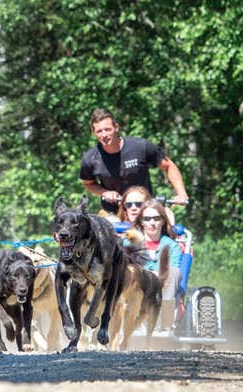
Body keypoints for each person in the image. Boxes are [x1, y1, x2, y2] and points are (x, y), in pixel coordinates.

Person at [80, 108, 189, 220]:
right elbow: (88, 183)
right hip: (113, 213)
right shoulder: (90, 158)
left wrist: (181, 193)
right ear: (94, 133)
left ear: (116, 127)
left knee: (170, 223)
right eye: (99, 131)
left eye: (107, 129)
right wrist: (104, 192)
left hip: (145, 210)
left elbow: (169, 166)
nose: (104, 135)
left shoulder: (140, 147)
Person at [127, 199, 182, 331]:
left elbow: (173, 268)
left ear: (162, 221)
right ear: (141, 221)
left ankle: (165, 321)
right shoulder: (130, 243)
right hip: (136, 287)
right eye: (147, 219)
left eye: (156, 218)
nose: (152, 223)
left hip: (164, 287)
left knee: (174, 271)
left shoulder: (173, 246)